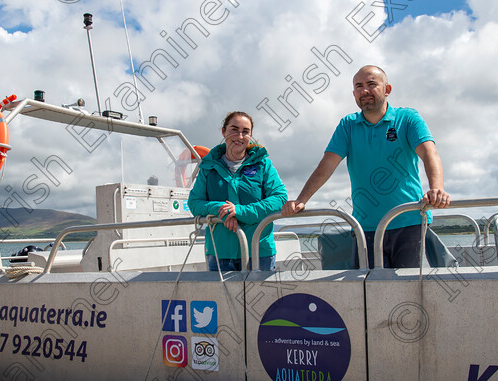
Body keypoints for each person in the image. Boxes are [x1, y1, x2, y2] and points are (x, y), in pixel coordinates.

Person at [281, 65, 450, 268]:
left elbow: (429, 153)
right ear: (354, 93)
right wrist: (301, 200)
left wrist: (437, 189)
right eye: (359, 86)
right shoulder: (348, 125)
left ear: (387, 89)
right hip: (366, 227)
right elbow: (327, 165)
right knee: (370, 293)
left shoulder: (408, 118)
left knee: (410, 292)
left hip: (409, 222)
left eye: (371, 84)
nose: (364, 91)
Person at [188, 111, 288, 271]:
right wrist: (222, 209)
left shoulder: (264, 165)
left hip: (259, 252)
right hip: (220, 252)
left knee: (260, 296)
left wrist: (240, 211)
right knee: (221, 297)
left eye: (245, 132)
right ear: (224, 131)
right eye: (234, 129)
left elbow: (280, 198)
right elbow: (194, 203)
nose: (239, 136)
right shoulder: (208, 167)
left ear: (250, 135)